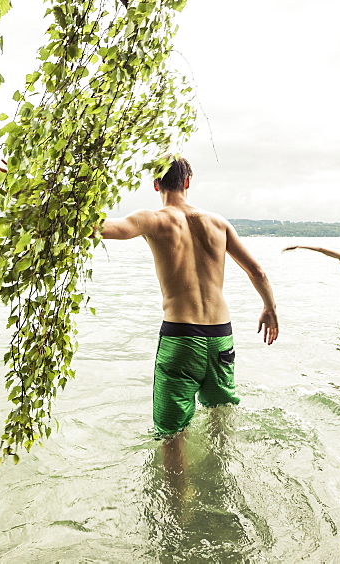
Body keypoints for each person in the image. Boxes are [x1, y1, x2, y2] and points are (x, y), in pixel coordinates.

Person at [97, 156, 279, 473]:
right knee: (221, 414)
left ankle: (180, 515)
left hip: (181, 340)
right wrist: (270, 309)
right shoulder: (218, 223)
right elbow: (257, 272)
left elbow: (102, 228)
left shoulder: (154, 219)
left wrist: (33, 194)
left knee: (172, 435)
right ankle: (223, 479)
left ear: (156, 185)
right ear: (188, 183)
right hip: (221, 339)